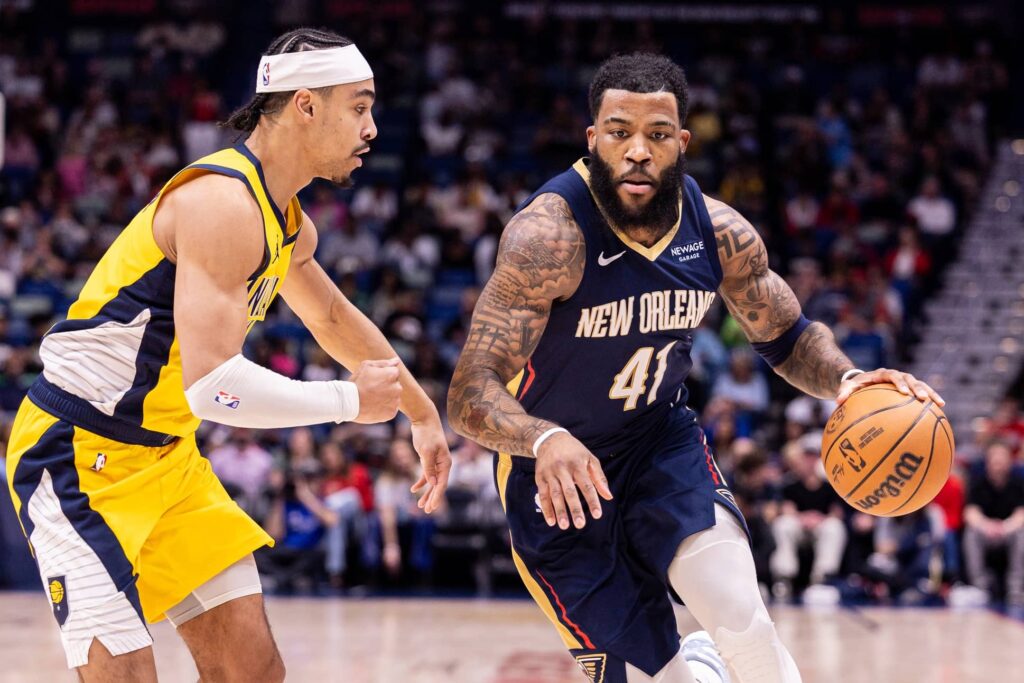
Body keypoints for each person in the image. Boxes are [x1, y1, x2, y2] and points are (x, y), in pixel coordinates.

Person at [448, 53, 944, 683]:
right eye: (620, 132)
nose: (637, 151)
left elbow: (788, 337)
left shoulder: (718, 231)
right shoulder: (548, 237)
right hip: (556, 484)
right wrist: (543, 437)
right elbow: (470, 392)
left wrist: (849, 380)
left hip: (660, 447)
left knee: (746, 624)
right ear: (593, 138)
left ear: (681, 143)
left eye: (656, 134)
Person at [4, 28, 451, 681]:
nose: (372, 128)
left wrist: (420, 411)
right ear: (305, 105)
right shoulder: (219, 202)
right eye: (359, 106)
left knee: (253, 670)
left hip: (167, 457)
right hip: (77, 453)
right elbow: (213, 386)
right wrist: (349, 401)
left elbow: (331, 316)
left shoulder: (286, 218)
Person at [962, 441, 1024, 605]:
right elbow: (970, 513)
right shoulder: (977, 482)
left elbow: (1021, 514)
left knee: (1022, 534)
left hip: (1009, 531)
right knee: (971, 534)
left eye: (1002, 457)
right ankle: (980, 587)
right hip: (985, 532)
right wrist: (987, 526)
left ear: (1010, 460)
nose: (998, 461)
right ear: (987, 461)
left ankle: (1015, 588)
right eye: (994, 457)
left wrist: (1005, 527)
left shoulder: (1019, 483)